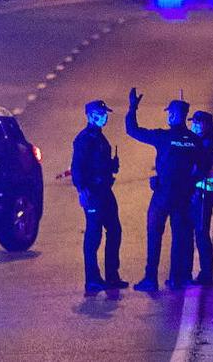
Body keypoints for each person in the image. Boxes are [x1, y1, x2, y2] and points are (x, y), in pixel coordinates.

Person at [125, 87, 201, 291]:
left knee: (154, 235)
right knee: (179, 237)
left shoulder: (163, 137)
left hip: (163, 195)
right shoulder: (195, 141)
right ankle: (176, 278)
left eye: (169, 113)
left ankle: (151, 279)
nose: (168, 116)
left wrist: (132, 107)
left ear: (175, 115)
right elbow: (201, 169)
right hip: (184, 196)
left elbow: (132, 130)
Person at [71, 99, 128, 294]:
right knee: (93, 235)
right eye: (99, 114)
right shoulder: (84, 139)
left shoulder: (100, 138)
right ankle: (92, 279)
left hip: (105, 191)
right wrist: (82, 189)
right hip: (94, 193)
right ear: (89, 116)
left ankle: (112, 276)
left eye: (105, 114)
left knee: (115, 231)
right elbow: (77, 167)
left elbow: (99, 163)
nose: (103, 117)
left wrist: (112, 166)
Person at [190, 110, 213, 286]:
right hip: (201, 194)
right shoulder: (201, 142)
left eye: (197, 123)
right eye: (193, 122)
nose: (194, 126)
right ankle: (204, 273)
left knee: (202, 234)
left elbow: (200, 170)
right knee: (199, 233)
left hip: (203, 195)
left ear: (206, 125)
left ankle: (206, 274)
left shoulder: (208, 146)